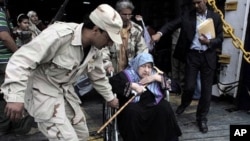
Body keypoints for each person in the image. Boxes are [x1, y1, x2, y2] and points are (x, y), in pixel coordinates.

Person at [1, 4, 121, 141]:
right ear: (96, 30)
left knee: (82, 135)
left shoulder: (95, 49)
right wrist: (15, 97)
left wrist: (110, 98)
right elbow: (21, 60)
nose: (110, 44)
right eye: (109, 38)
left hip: (65, 92)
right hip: (42, 92)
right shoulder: (59, 35)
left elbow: (98, 76)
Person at [151, 0, 223, 133]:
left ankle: (201, 118)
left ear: (205, 1)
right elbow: (171, 25)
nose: (195, 6)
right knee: (189, 86)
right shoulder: (187, 16)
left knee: (206, 92)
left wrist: (209, 42)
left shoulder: (215, 17)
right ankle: (185, 102)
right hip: (193, 56)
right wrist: (159, 34)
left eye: (198, 2)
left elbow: (220, 38)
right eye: (193, 3)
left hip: (208, 56)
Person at [109, 53, 182, 141]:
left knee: (164, 107)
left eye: (149, 67)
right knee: (131, 111)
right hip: (134, 106)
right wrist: (132, 85)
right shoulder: (127, 74)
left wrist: (156, 78)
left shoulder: (156, 74)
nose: (147, 70)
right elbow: (111, 84)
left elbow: (177, 88)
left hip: (153, 105)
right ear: (137, 65)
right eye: (143, 66)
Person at [102, 0, 148, 74]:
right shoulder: (109, 29)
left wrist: (140, 66)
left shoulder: (136, 30)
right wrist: (107, 65)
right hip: (112, 72)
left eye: (129, 14)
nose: (127, 17)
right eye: (124, 14)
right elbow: (103, 50)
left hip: (130, 73)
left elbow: (142, 50)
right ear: (117, 14)